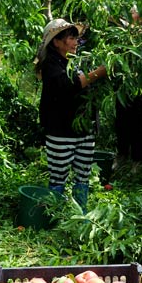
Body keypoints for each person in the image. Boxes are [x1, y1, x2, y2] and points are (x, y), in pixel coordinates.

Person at [35, 18, 108, 212]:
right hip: (61, 130)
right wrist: (99, 73)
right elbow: (68, 86)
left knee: (83, 174)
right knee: (59, 175)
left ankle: (80, 214)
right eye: (70, 38)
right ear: (56, 42)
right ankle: (55, 215)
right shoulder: (51, 65)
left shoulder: (76, 61)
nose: (76, 42)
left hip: (84, 129)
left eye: (76, 38)